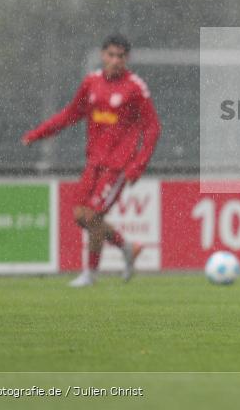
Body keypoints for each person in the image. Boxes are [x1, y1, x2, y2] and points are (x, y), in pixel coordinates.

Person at [22, 33, 161, 287]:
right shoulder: (91, 83)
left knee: (94, 216)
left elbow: (152, 128)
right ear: (102, 55)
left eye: (121, 56)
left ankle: (90, 274)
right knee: (80, 216)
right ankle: (127, 247)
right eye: (111, 55)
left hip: (117, 166)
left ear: (127, 59)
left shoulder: (135, 88)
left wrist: (137, 165)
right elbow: (69, 114)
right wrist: (38, 134)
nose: (115, 60)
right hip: (94, 162)